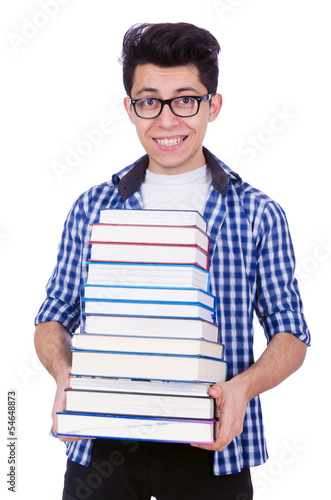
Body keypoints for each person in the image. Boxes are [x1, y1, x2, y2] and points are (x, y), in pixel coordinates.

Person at [34, 22, 310, 500]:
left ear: (212, 106)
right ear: (129, 109)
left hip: (213, 453)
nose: (166, 120)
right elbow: (54, 315)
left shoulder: (258, 213)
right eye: (149, 101)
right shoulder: (92, 207)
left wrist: (242, 388)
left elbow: (291, 333)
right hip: (103, 447)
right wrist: (64, 375)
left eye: (185, 99)